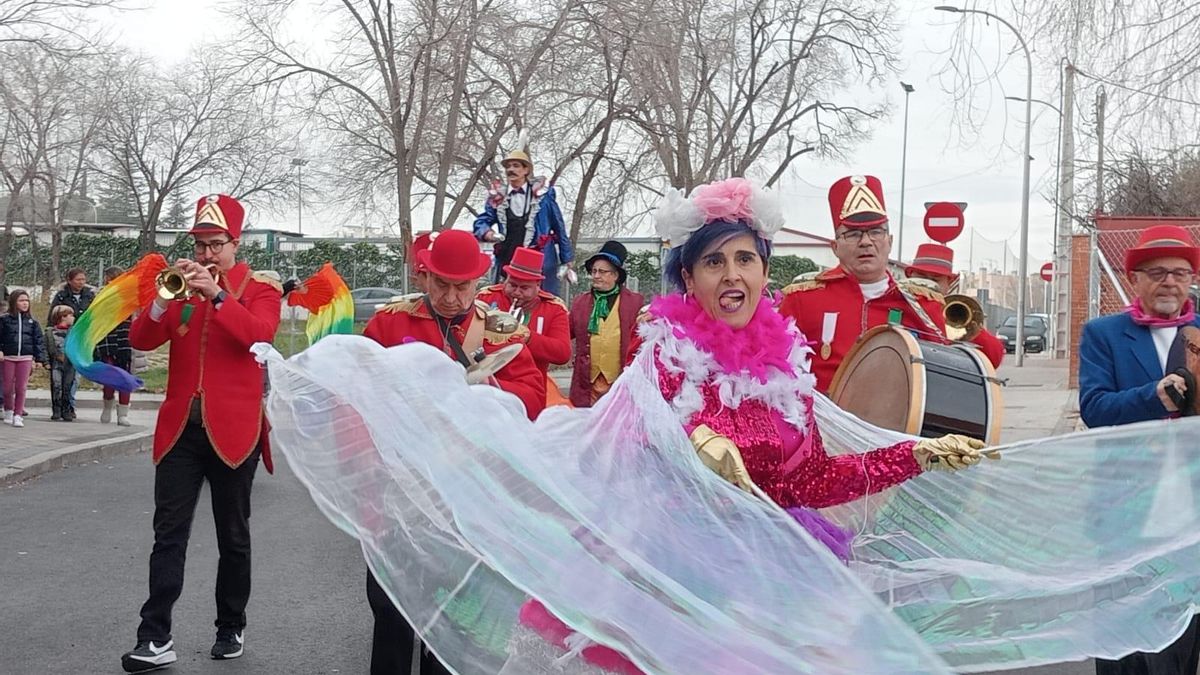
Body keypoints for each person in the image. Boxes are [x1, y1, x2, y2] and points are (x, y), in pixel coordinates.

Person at [362, 228, 545, 675]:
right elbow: (360, 384)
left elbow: (534, 397)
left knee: (453, 621)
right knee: (390, 610)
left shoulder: (502, 333)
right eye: (440, 284)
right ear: (425, 277)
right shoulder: (390, 322)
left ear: (478, 283)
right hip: (399, 493)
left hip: (466, 498)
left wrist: (491, 389)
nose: (449, 296)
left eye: (461, 287)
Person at [121, 194, 282, 673]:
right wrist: (158, 302)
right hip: (179, 433)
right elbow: (142, 340)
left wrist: (216, 294)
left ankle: (230, 624)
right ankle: (154, 637)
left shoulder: (260, 289)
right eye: (200, 244)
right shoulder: (180, 290)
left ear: (235, 244)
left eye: (216, 244)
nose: (207, 254)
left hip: (235, 431)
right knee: (167, 535)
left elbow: (260, 336)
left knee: (233, 536)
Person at [1079, 224, 1200, 675]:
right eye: (1156, 272)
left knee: (1182, 637)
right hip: (1126, 507)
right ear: (1135, 280)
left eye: (1180, 272)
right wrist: (1154, 396)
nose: (1169, 281)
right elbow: (1094, 408)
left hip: (1191, 507)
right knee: (1124, 637)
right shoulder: (1104, 334)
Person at [779, 175, 946, 393]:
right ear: (835, 246)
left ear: (890, 241)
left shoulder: (922, 303)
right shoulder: (802, 298)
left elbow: (945, 378)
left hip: (896, 425)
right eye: (853, 234)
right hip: (823, 423)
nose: (866, 242)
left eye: (876, 232)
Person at [472, 133, 576, 296]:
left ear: (526, 169)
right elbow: (482, 221)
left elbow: (559, 227)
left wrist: (567, 258)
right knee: (505, 301)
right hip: (509, 260)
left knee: (540, 301)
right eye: (508, 166)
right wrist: (487, 232)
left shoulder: (543, 196)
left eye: (516, 166)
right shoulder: (498, 197)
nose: (511, 170)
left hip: (539, 260)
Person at [477, 246, 571, 402]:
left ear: (538, 286)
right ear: (505, 279)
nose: (517, 292)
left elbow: (562, 353)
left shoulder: (554, 308)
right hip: (487, 389)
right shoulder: (486, 298)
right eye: (512, 285)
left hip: (529, 393)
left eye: (524, 288)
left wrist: (526, 336)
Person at [904, 242, 1005, 369]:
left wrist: (973, 332)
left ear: (949, 284)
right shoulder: (895, 304)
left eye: (935, 280)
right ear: (910, 276)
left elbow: (994, 358)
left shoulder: (952, 310)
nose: (927, 284)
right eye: (921, 277)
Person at [568, 240, 644, 407]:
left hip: (621, 383)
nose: (596, 276)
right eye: (593, 271)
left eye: (602, 272)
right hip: (586, 385)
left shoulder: (635, 303)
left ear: (615, 275)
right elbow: (564, 333)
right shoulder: (580, 302)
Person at [0, 289, 47, 428]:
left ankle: (18, 414)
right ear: (14, 302)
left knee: (21, 387)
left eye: (27, 301)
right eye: (21, 300)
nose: (25, 303)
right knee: (7, 388)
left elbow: (38, 341)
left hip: (25, 358)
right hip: (8, 357)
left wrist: (39, 359)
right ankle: (8, 409)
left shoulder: (33, 322)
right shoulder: (4, 320)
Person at [96, 266, 135, 426]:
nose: (109, 281)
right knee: (109, 377)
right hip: (107, 340)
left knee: (124, 378)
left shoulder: (128, 295)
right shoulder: (102, 294)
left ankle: (123, 414)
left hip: (124, 341)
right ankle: (107, 408)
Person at [44, 304, 77, 421]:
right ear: (63, 317)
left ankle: (66, 410)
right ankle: (56, 409)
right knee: (56, 386)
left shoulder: (73, 332)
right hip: (56, 364)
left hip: (70, 364)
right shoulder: (49, 332)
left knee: (68, 387)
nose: (73, 318)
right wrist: (46, 362)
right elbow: (46, 348)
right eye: (71, 315)